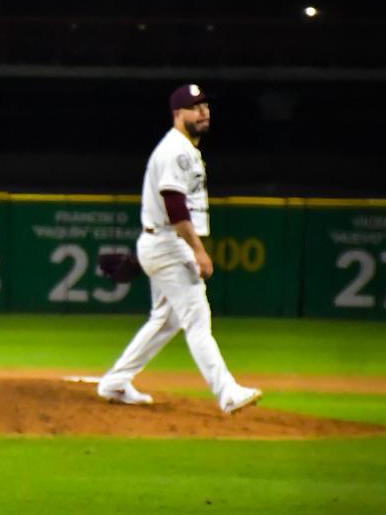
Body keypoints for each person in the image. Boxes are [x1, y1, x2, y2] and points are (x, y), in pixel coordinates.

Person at [96, 84, 262, 414]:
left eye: (205, 106)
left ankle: (115, 382)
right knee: (197, 320)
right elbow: (174, 205)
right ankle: (227, 392)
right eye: (194, 106)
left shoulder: (183, 148)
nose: (203, 111)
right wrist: (198, 250)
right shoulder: (176, 150)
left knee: (166, 319)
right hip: (169, 244)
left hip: (161, 242)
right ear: (177, 114)